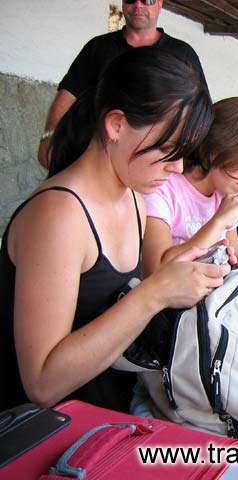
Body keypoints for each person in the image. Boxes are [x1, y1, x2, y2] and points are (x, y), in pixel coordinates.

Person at [0, 48, 222, 411]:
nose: (179, 168)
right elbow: (41, 383)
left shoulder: (132, 194)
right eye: (168, 149)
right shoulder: (59, 215)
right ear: (116, 125)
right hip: (51, 436)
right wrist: (155, 293)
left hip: (113, 413)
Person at [37, 0, 207, 169]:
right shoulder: (99, 47)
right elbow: (69, 92)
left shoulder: (183, 54)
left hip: (155, 163)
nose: (138, 5)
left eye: (147, 0)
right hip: (99, 157)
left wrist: (183, 158)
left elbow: (199, 110)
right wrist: (50, 136)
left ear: (160, 4)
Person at [142, 97, 238, 276]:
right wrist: (218, 222)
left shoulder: (223, 198)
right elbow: (155, 270)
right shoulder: (164, 187)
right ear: (221, 145)